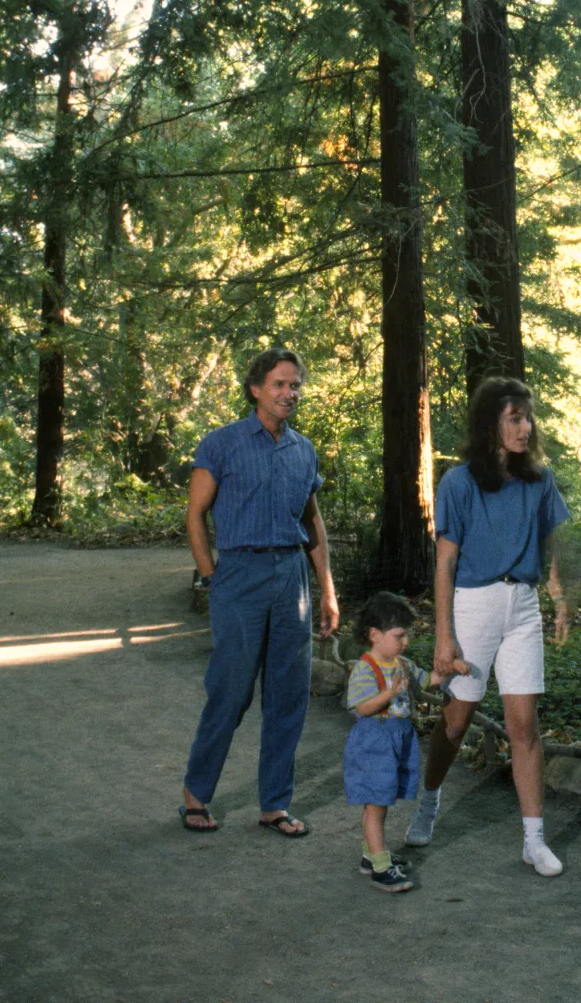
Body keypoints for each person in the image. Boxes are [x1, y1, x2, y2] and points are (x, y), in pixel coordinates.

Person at [406, 377, 571, 876]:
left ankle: (533, 840)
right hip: (472, 605)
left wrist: (559, 600)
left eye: (528, 417)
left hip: (522, 605)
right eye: (514, 418)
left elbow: (552, 546)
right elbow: (445, 564)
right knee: (456, 722)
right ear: (490, 424)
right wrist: (443, 634)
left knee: (524, 727)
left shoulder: (539, 480)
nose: (526, 427)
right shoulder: (458, 482)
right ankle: (429, 802)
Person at [179, 347, 339, 835]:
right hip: (239, 577)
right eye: (279, 385)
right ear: (256, 389)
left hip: (291, 578)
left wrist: (327, 590)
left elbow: (312, 522)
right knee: (230, 691)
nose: (289, 394)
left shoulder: (303, 450)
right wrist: (211, 576)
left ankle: (275, 803)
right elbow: (195, 516)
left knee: (289, 695)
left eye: (295, 386)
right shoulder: (221, 444)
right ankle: (195, 795)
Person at [343, 591, 470, 893]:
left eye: (407, 636)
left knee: (382, 802)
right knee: (376, 805)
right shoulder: (365, 668)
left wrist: (451, 668)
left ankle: (371, 855)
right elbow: (360, 707)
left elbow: (428, 681)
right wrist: (389, 693)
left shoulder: (402, 664)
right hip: (374, 743)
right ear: (374, 634)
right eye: (399, 636)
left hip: (396, 741)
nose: (405, 642)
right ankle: (381, 869)